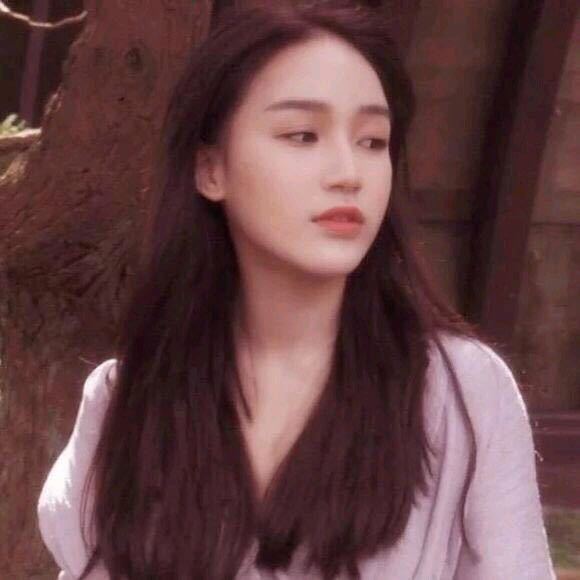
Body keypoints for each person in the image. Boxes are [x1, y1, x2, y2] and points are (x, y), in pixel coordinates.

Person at [37, 2, 556, 579]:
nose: (349, 173)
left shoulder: (460, 392)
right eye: (303, 135)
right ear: (210, 169)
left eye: (373, 141)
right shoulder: (125, 399)